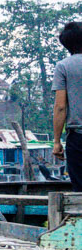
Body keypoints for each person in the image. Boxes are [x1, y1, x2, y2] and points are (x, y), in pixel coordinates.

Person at [53, 21, 82, 190]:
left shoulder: (63, 66)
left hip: (78, 137)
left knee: (79, 188)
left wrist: (57, 141)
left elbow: (60, 107)